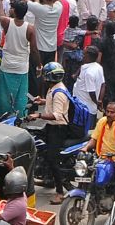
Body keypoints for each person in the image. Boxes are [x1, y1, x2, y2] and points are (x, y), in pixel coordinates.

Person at [27, 61, 71, 204]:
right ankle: (47, 178)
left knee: (53, 159)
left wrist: (37, 116)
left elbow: (57, 115)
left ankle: (59, 191)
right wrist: (43, 102)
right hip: (50, 127)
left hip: (58, 128)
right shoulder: (55, 88)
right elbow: (53, 102)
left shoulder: (59, 92)